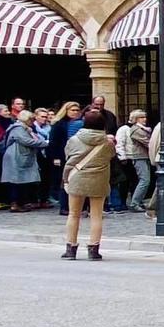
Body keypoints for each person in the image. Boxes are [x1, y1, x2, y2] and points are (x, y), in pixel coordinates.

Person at [60, 109, 115, 259]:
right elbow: (111, 155)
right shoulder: (107, 142)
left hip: (77, 178)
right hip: (99, 180)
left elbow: (68, 155)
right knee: (96, 216)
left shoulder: (74, 140)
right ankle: (93, 250)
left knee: (73, 214)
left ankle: (70, 249)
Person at [0, 108, 46, 211]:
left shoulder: (25, 128)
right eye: (31, 119)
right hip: (16, 157)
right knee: (15, 181)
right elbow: (26, 141)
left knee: (22, 182)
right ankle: (15, 204)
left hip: (21, 157)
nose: (32, 122)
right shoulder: (18, 128)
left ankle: (21, 202)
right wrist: (45, 143)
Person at [43, 100, 82, 217]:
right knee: (64, 182)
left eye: (77, 110)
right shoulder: (59, 124)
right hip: (61, 156)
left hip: (75, 155)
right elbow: (53, 142)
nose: (75, 112)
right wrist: (55, 157)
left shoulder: (79, 123)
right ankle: (64, 206)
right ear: (66, 111)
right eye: (72, 110)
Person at [117, 110, 154, 212]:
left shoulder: (142, 129)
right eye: (141, 117)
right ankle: (135, 203)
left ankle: (138, 201)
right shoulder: (136, 130)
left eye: (144, 117)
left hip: (143, 156)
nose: (144, 119)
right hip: (138, 156)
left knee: (143, 180)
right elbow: (147, 142)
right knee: (144, 180)